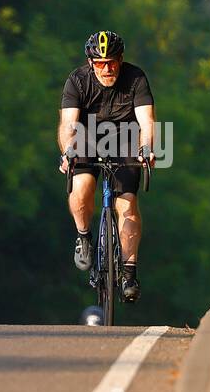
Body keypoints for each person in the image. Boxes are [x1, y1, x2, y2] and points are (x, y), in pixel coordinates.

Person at [57, 31, 154, 302]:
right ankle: (84, 236)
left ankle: (129, 274)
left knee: (127, 204)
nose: (107, 68)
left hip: (123, 139)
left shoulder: (136, 78)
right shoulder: (77, 81)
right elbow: (67, 125)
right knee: (83, 187)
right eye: (100, 63)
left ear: (121, 60)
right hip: (86, 138)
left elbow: (146, 121)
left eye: (112, 62)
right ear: (90, 63)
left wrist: (146, 148)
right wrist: (68, 152)